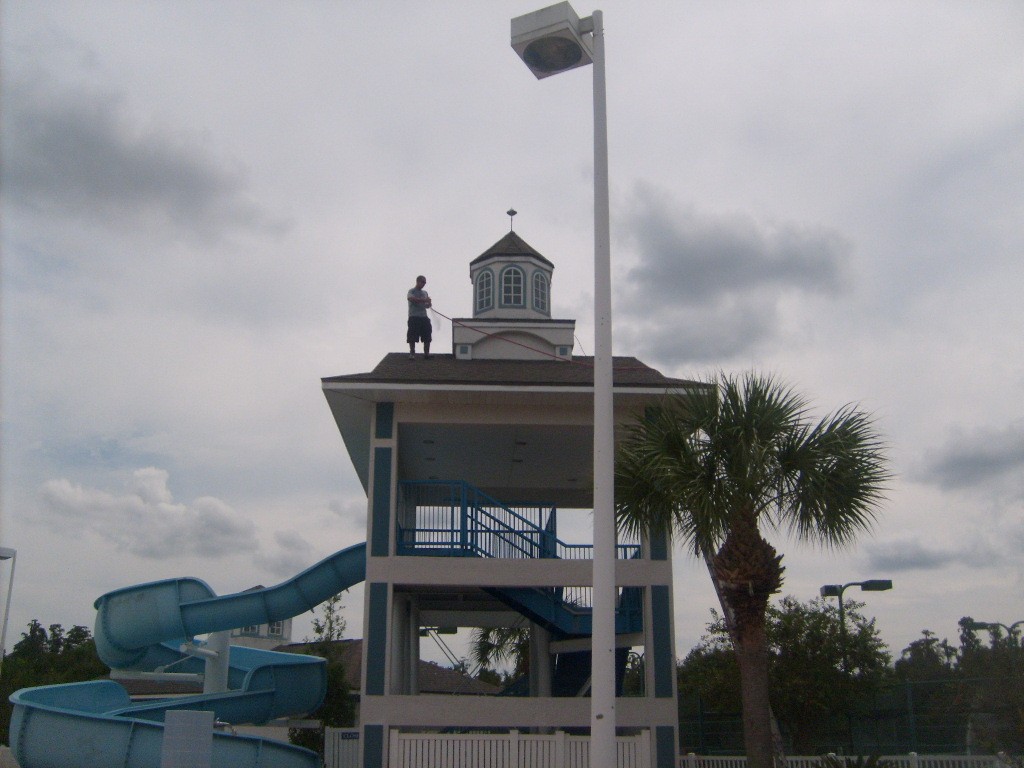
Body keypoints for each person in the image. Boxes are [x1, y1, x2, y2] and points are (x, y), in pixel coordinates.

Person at [407, 275, 432, 359]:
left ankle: (426, 353)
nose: (424, 284)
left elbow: (427, 306)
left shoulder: (425, 293)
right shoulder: (412, 291)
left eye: (425, 282)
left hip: (424, 316)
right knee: (412, 335)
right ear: (417, 281)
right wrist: (424, 300)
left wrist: (429, 303)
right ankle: (412, 353)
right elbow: (410, 298)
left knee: (427, 333)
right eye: (422, 282)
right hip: (414, 316)